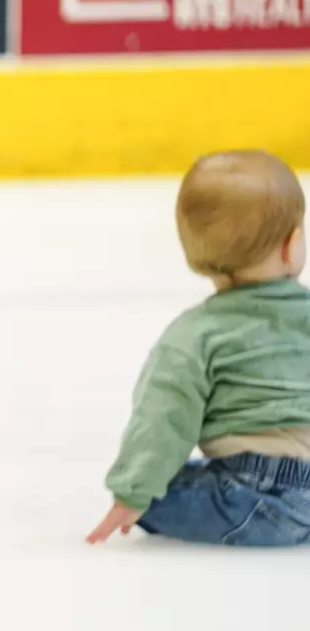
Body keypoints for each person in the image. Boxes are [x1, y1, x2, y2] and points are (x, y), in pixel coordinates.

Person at [88, 150, 310, 547]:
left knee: (158, 494)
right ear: (292, 245)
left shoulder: (193, 336)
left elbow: (162, 421)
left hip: (256, 498)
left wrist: (132, 492)